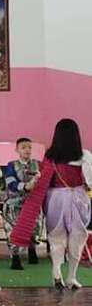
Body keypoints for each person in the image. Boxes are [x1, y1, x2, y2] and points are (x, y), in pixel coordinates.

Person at [10, 119, 91, 290]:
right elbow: (90, 182)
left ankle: (56, 274)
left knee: (56, 236)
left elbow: (44, 179)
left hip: (55, 199)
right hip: (77, 197)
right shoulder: (84, 156)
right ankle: (72, 277)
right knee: (78, 236)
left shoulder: (50, 156)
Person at [3, 138, 42, 270]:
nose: (27, 150)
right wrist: (25, 187)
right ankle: (15, 258)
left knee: (34, 227)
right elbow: (10, 183)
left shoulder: (38, 165)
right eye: (23, 147)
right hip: (14, 203)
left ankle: (32, 250)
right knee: (13, 229)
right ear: (17, 150)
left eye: (29, 147)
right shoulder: (11, 165)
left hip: (32, 203)